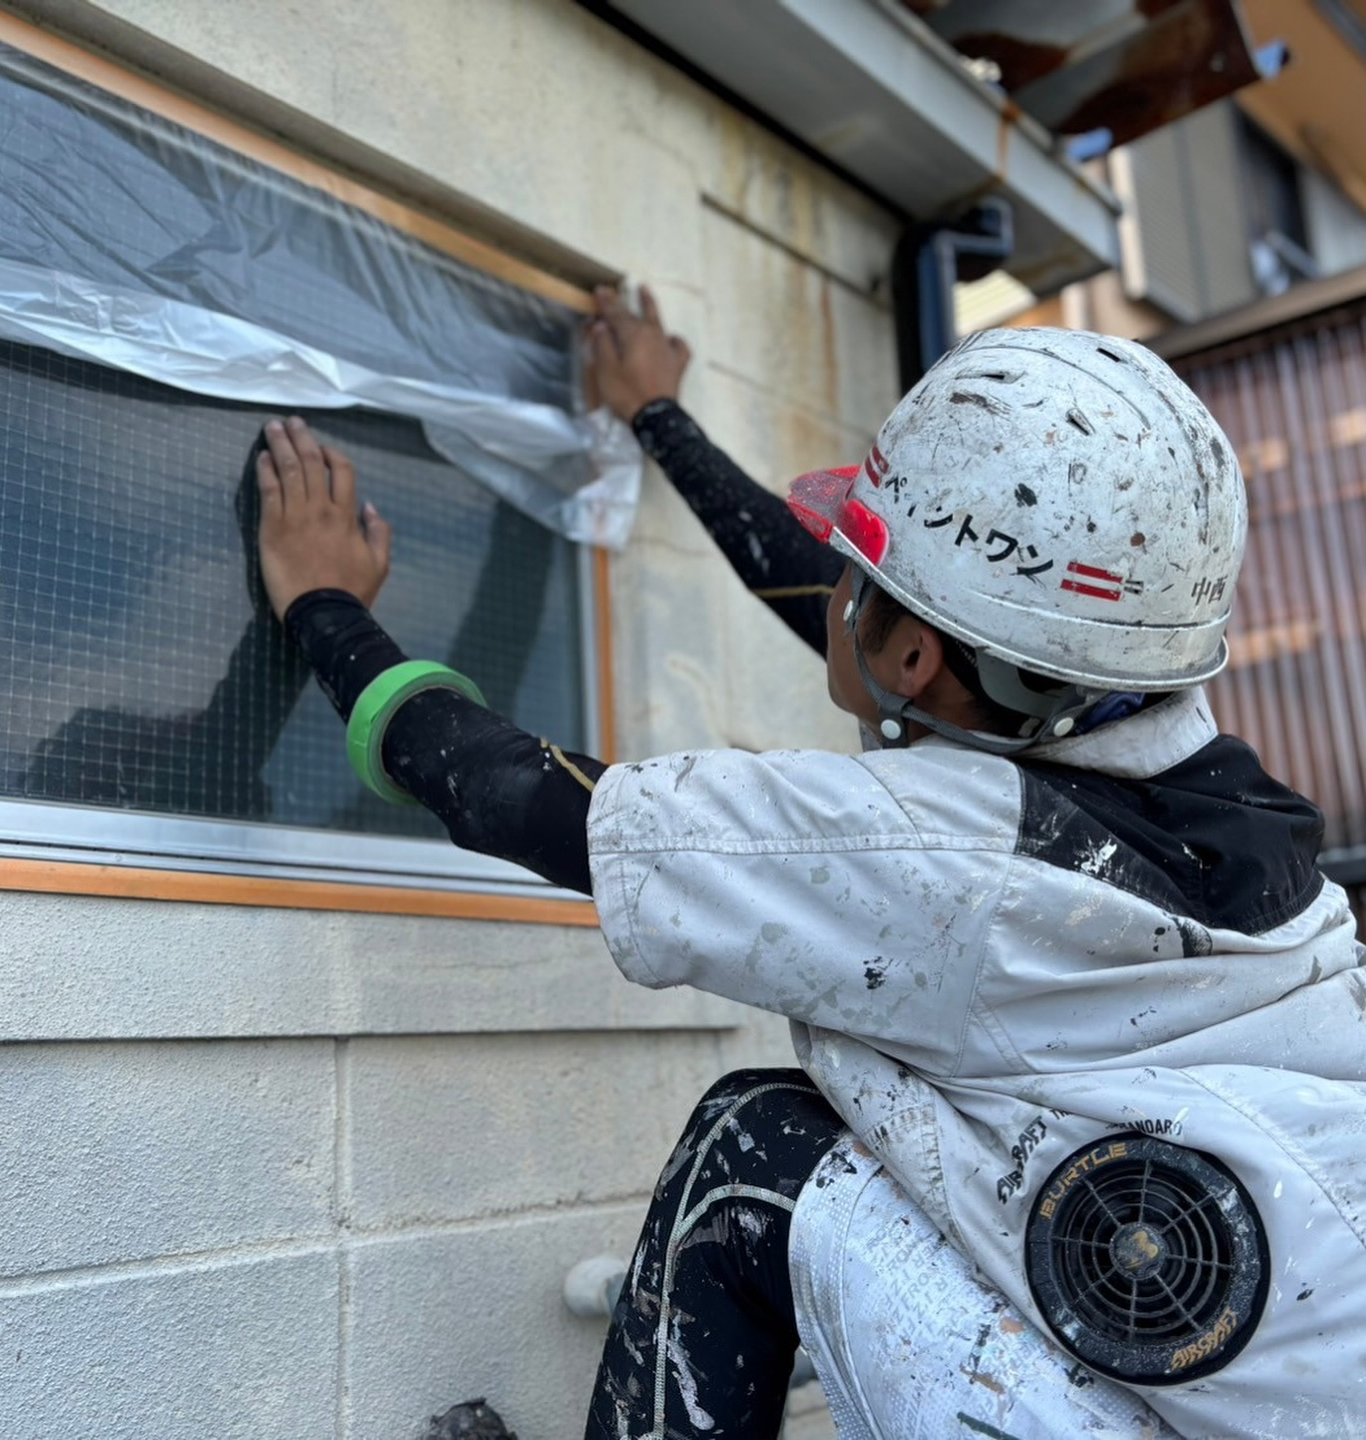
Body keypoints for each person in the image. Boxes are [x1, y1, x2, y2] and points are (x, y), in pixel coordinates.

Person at [253, 289, 1366, 1439]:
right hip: (1290, 1346)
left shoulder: (950, 858)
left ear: (920, 656)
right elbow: (860, 618)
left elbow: (500, 788)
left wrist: (322, 600)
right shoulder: (1196, 769)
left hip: (1165, 1405)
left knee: (754, 1154)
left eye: (854, 578)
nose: (829, 586)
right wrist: (657, 418)